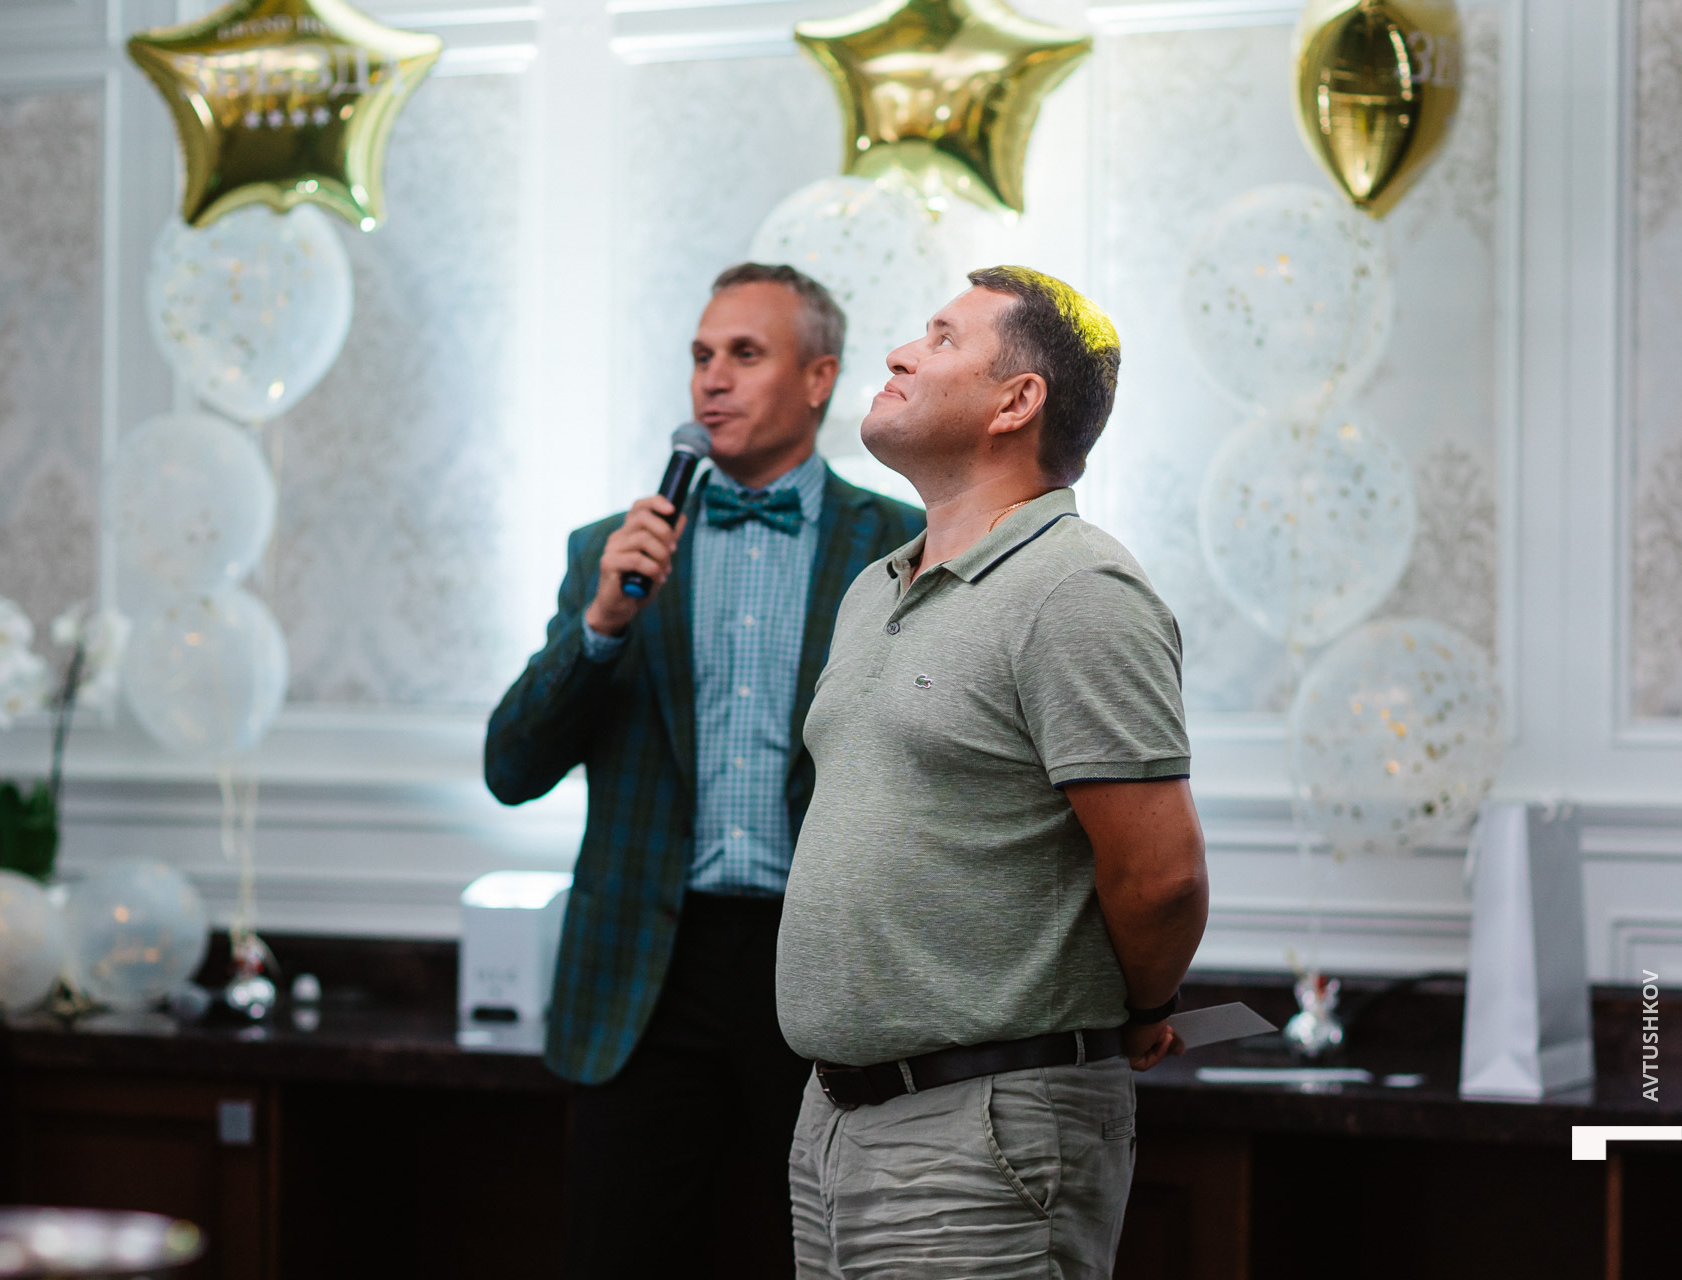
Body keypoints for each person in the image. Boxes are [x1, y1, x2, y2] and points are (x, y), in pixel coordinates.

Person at [484, 263, 924, 1279]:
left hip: (823, 970)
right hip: (646, 977)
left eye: (745, 353)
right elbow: (512, 766)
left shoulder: (901, 548)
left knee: (816, 1259)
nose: (711, 379)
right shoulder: (609, 551)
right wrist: (602, 624)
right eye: (700, 355)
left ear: (818, 379)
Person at [777, 265, 1211, 1279]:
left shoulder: (1078, 588)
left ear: (1016, 402)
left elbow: (1162, 876)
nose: (898, 353)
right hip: (832, 1121)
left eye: (940, 338)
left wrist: (1146, 1009)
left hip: (982, 1127)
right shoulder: (874, 587)